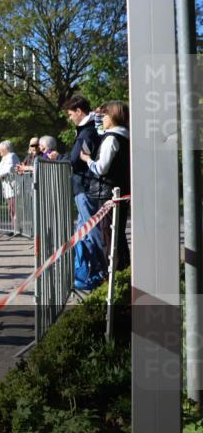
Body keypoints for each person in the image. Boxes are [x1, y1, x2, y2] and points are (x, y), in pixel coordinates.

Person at [60, 95, 107, 291]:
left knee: (90, 231)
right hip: (85, 187)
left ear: (79, 111)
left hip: (85, 188)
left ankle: (101, 271)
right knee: (83, 232)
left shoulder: (86, 132)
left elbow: (75, 159)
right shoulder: (88, 130)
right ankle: (90, 273)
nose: (70, 118)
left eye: (71, 114)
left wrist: (61, 159)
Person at [82, 101, 130, 272]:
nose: (102, 119)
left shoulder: (111, 139)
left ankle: (113, 276)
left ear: (113, 117)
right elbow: (100, 129)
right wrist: (96, 117)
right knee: (118, 236)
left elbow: (101, 168)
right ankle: (124, 272)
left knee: (109, 237)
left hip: (107, 193)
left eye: (105, 115)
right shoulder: (124, 136)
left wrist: (87, 160)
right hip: (119, 191)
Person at [0, 141, 20, 235]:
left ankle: (16, 229)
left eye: (0, 149)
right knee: (11, 209)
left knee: (14, 209)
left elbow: (10, 168)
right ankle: (14, 228)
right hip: (8, 188)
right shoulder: (4, 158)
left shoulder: (12, 156)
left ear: (5, 149)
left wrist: (0, 174)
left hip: (13, 187)